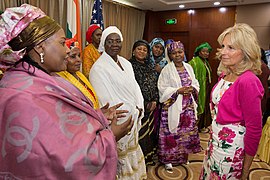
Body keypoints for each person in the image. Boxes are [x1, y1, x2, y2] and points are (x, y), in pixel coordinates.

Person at [0, 4, 133, 179]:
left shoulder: (40, 78)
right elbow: (63, 161)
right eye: (62, 43)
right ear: (40, 47)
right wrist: (111, 136)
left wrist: (98, 115)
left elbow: (63, 126)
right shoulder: (21, 96)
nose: (68, 50)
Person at [200, 23, 264, 179]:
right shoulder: (226, 74)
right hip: (215, 142)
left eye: (231, 48)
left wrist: (246, 169)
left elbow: (254, 129)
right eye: (223, 46)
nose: (223, 52)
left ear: (246, 52)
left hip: (230, 150)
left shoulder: (248, 81)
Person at [89, 26, 147, 179]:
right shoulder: (98, 68)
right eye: (110, 41)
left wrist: (139, 107)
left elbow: (136, 88)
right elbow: (107, 101)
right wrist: (130, 111)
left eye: (117, 41)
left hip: (134, 117)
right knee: (120, 165)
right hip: (119, 123)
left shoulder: (126, 63)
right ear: (103, 43)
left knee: (133, 157)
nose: (114, 44)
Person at [157, 41, 201, 173]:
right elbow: (162, 88)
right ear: (170, 55)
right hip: (172, 106)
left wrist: (192, 88)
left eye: (180, 52)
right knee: (171, 134)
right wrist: (177, 91)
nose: (177, 55)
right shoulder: (166, 70)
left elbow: (195, 82)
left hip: (187, 108)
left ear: (183, 53)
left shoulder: (189, 67)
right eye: (174, 53)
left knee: (184, 134)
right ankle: (168, 160)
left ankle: (182, 157)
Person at [130, 40, 159, 166]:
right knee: (140, 134)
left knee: (149, 134)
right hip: (138, 106)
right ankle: (140, 161)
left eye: (145, 50)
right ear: (133, 51)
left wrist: (154, 100)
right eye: (139, 49)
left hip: (152, 105)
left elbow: (155, 84)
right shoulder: (128, 66)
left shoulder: (150, 66)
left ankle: (148, 158)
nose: (142, 52)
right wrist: (145, 103)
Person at [57, 38, 99, 109]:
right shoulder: (60, 81)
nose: (79, 60)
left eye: (79, 55)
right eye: (73, 56)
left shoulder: (80, 75)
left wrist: (100, 113)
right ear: (63, 58)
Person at [189, 42, 213, 133]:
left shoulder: (205, 62)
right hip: (199, 88)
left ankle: (203, 126)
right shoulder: (194, 62)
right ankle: (196, 127)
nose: (206, 53)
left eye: (207, 52)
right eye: (204, 51)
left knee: (205, 106)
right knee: (199, 106)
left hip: (206, 88)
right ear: (199, 52)